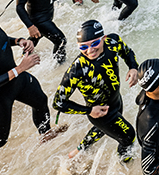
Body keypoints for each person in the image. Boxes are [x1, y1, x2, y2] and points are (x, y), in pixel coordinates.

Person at [0, 0, 67, 175]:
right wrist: (20, 68)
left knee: (40, 102)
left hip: (17, 82)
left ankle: (45, 135)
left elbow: (0, 40)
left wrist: (19, 40)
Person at [53, 20, 139, 161]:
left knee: (102, 130)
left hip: (116, 101)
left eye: (94, 43)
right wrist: (89, 111)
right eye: (83, 47)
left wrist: (133, 67)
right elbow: (58, 103)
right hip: (99, 113)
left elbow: (127, 52)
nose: (90, 50)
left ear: (104, 39)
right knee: (128, 137)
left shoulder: (113, 42)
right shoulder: (77, 69)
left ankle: (78, 150)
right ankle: (124, 166)